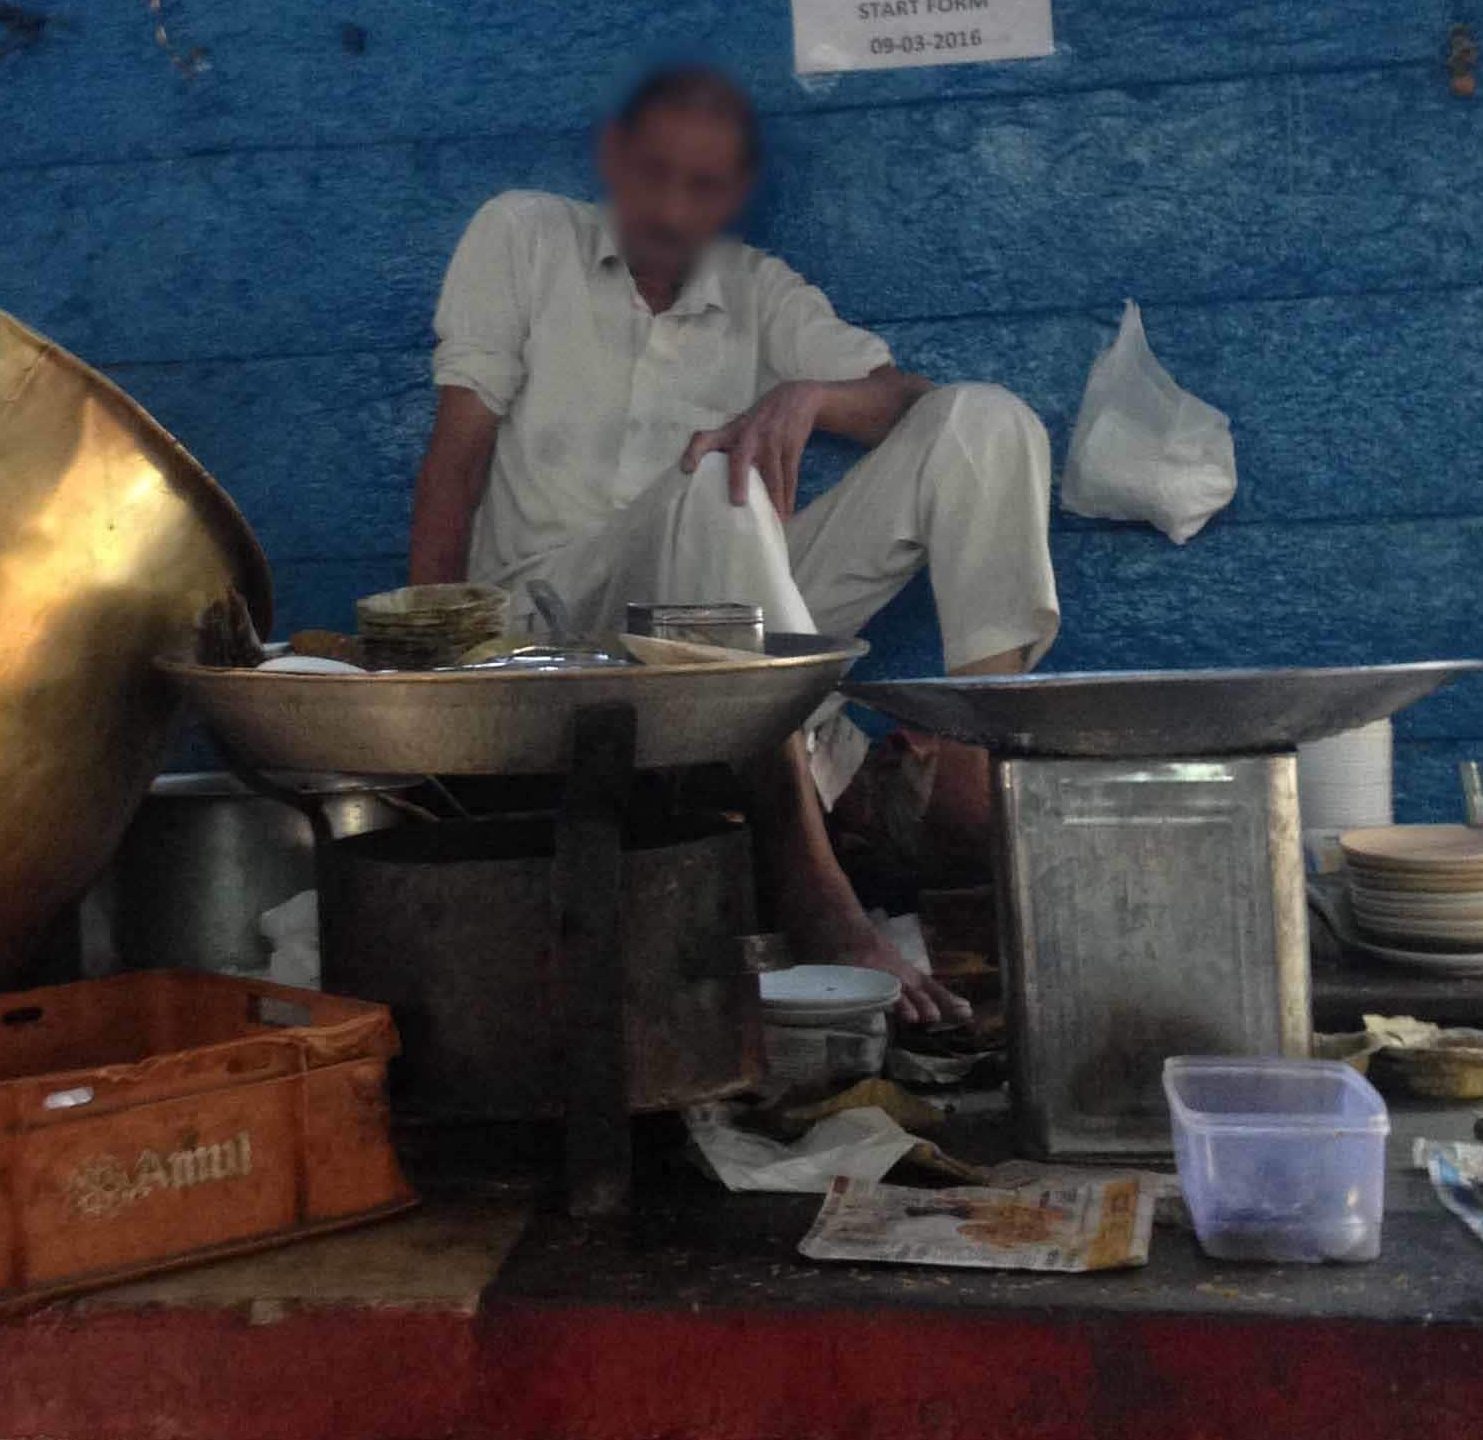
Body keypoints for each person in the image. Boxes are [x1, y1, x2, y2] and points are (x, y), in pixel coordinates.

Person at [408, 63, 1058, 1021]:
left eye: (702, 186)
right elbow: (456, 456)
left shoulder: (757, 290)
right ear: (615, 161)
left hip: (719, 620)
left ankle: (969, 785)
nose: (672, 207)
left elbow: (906, 398)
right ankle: (808, 873)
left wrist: (809, 397)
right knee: (719, 474)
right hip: (552, 624)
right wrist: (425, 676)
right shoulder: (523, 236)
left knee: (986, 419)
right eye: (654, 174)